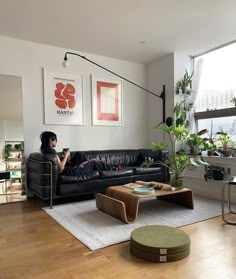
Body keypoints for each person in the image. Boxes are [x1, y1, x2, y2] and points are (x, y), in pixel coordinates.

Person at [40, 131, 111, 176]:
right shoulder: (52, 153)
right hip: (69, 171)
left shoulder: (46, 151)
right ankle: (112, 168)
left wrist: (61, 157)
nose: (56, 141)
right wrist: (66, 156)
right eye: (55, 139)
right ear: (50, 140)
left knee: (79, 154)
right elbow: (60, 169)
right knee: (93, 162)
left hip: (68, 168)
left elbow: (57, 163)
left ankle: (85, 167)